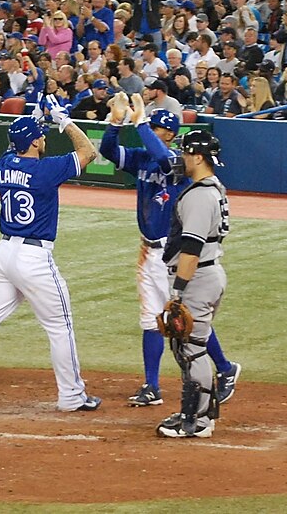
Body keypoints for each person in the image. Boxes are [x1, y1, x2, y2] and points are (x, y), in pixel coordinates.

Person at [0, 96, 102, 414]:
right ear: (32, 142)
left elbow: (16, 144)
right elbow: (88, 152)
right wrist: (63, 120)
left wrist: (35, 116)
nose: (43, 137)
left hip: (3, 254)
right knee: (60, 325)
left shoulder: (4, 165)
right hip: (33, 258)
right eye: (39, 134)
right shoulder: (45, 171)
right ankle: (71, 395)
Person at [100, 93, 241, 408]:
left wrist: (139, 124)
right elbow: (107, 150)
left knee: (185, 316)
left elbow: (163, 159)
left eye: (156, 128)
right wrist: (115, 122)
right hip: (147, 250)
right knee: (151, 318)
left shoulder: (177, 161)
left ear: (169, 135)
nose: (150, 130)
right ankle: (152, 386)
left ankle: (225, 368)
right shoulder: (140, 157)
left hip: (172, 250)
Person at [155, 128, 231, 438]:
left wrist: (178, 292)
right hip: (207, 273)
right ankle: (202, 411)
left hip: (198, 276)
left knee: (192, 350)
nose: (182, 158)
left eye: (186, 153)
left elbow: (191, 249)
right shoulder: (214, 188)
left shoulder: (200, 195)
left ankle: (198, 420)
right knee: (188, 346)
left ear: (198, 157)